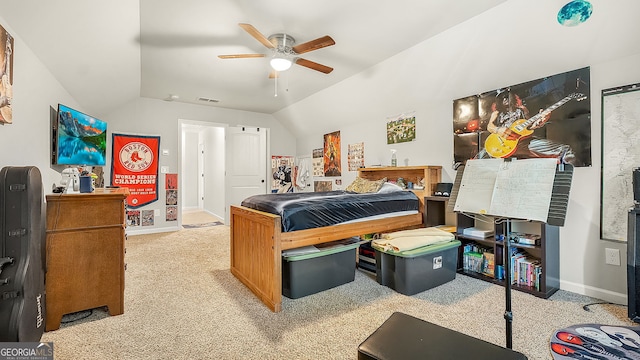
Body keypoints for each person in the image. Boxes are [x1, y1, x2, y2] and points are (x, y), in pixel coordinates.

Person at [481, 90, 576, 165]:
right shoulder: (497, 113)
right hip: (500, 143)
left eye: (518, 98)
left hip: (523, 142)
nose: (519, 100)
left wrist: (540, 122)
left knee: (565, 150)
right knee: (481, 157)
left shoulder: (523, 110)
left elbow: (529, 126)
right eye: (516, 98)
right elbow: (490, 126)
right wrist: (498, 130)